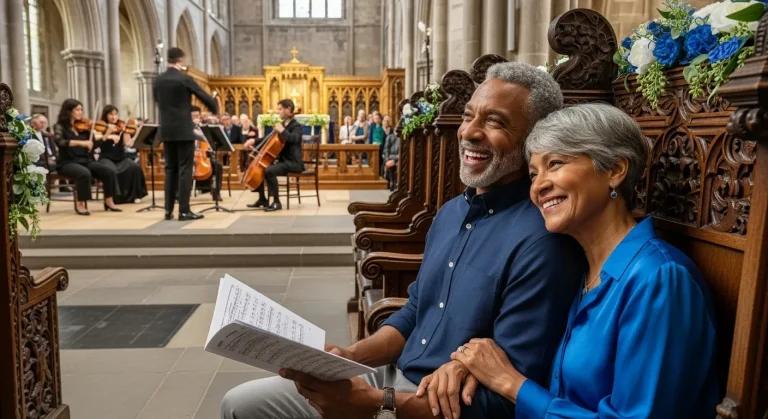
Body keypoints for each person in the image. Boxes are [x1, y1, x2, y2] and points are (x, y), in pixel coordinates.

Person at [220, 62, 585, 419]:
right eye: (468, 116)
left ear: (534, 140)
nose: (469, 132)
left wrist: (377, 404)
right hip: (393, 379)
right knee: (241, 403)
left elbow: (507, 400)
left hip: (438, 405)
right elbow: (414, 313)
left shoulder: (543, 241)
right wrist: (349, 357)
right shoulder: (452, 212)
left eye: (495, 121)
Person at [419, 103, 720, 418]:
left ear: (615, 170)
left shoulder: (659, 279)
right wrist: (466, 364)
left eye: (556, 163)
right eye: (534, 173)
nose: (538, 186)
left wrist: (511, 384)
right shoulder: (583, 269)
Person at [153, 47, 218, 221]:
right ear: (180, 60)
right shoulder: (184, 78)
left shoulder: (158, 80)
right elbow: (202, 95)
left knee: (170, 169)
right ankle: (184, 211)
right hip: (183, 129)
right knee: (184, 170)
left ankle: (168, 211)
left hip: (166, 130)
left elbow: (157, 100)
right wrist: (214, 107)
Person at [53, 99, 121, 215]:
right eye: (77, 110)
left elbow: (95, 145)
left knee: (109, 171)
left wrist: (103, 136)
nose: (81, 112)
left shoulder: (85, 128)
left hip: (85, 160)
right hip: (67, 162)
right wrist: (81, 143)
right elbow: (60, 142)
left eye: (81, 110)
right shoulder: (60, 127)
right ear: (69, 111)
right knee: (84, 173)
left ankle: (109, 201)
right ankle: (81, 204)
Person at [245, 99, 303, 212]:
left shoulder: (296, 126)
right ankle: (262, 199)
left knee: (269, 170)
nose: (278, 112)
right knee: (261, 168)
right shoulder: (282, 124)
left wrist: (282, 130)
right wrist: (254, 141)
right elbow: (268, 138)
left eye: (280, 109)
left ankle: (276, 202)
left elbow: (294, 139)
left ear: (288, 110)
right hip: (284, 161)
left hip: (294, 163)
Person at [95, 105, 148, 204]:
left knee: (134, 167)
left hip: (120, 157)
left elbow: (128, 143)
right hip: (106, 158)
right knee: (112, 170)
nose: (114, 117)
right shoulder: (101, 127)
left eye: (115, 114)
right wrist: (108, 133)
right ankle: (115, 198)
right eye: (111, 114)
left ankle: (134, 195)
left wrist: (137, 134)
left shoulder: (121, 126)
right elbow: (97, 143)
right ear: (106, 115)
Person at [191, 106, 224, 201]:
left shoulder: (204, 128)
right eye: (194, 116)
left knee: (217, 166)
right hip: (189, 155)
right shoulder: (186, 128)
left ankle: (216, 192)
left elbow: (210, 142)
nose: (196, 117)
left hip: (204, 155)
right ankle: (179, 194)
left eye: (198, 115)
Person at [382, 123, 399, 191]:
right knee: (389, 164)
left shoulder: (403, 137)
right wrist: (387, 160)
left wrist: (395, 159)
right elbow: (386, 149)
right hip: (390, 157)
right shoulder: (390, 137)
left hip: (398, 158)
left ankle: (395, 183)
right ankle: (391, 182)